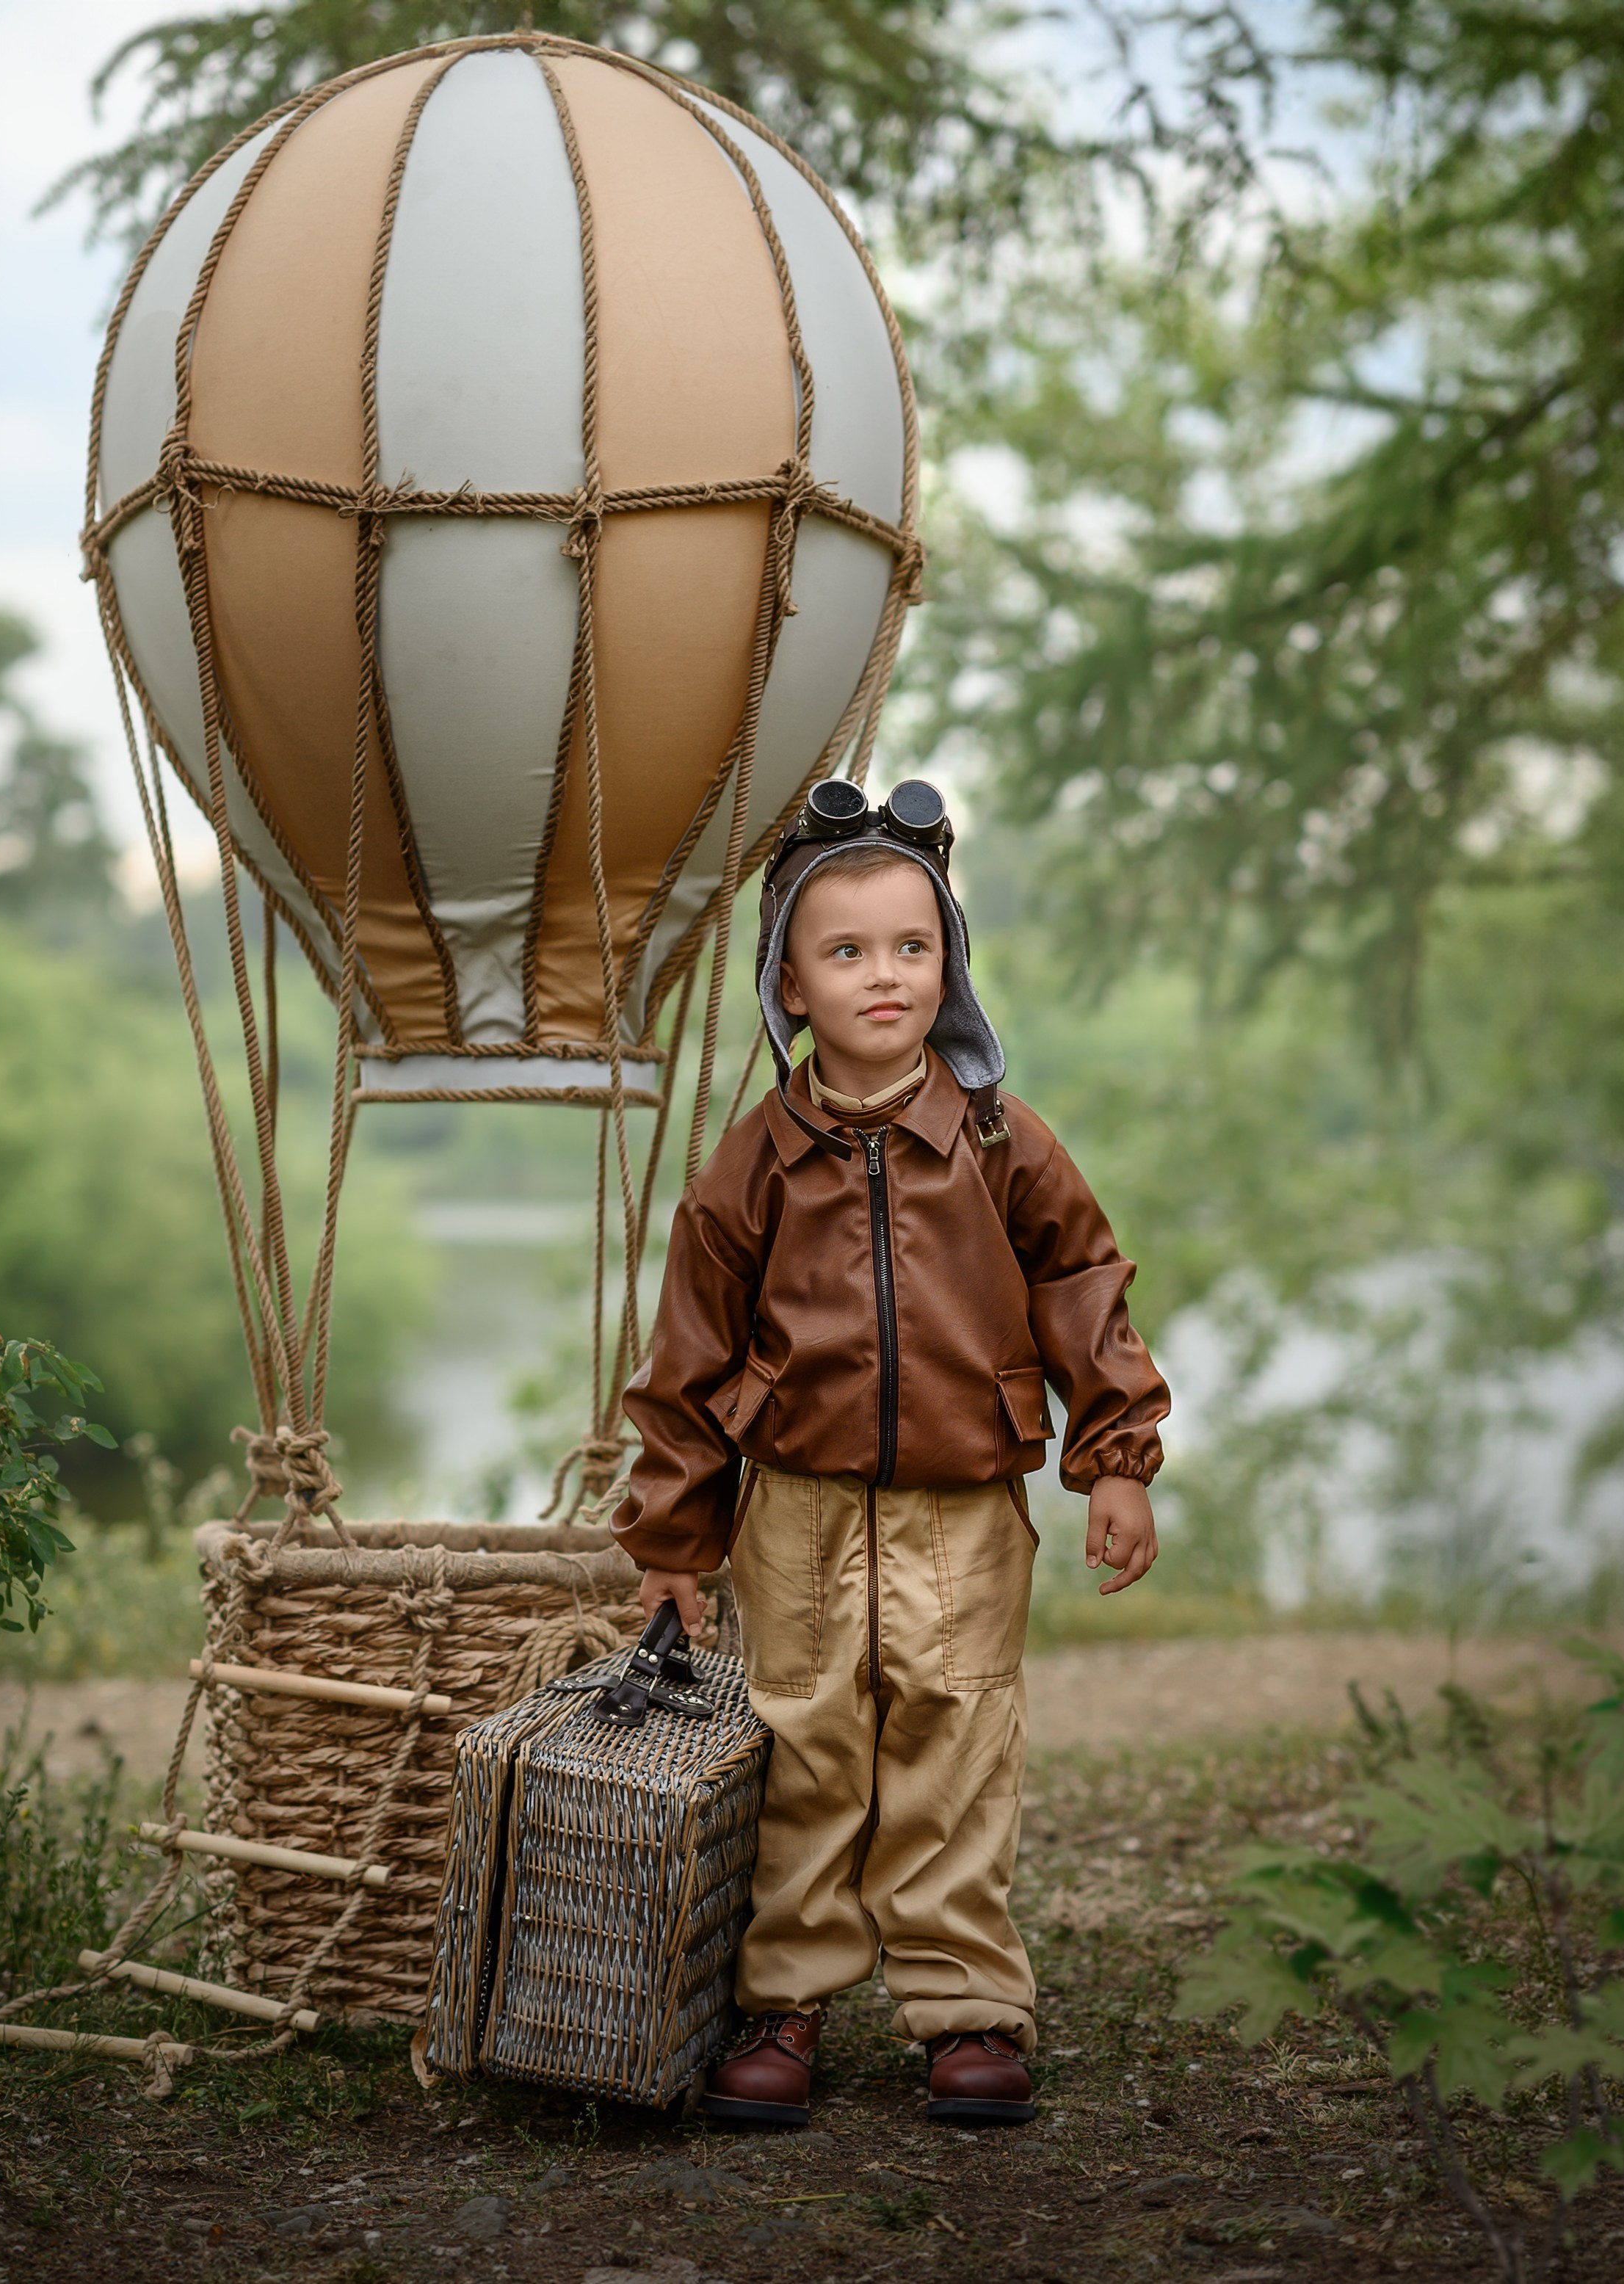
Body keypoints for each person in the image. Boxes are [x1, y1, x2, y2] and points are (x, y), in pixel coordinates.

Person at [610, 779, 1170, 2128]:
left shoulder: (997, 1140)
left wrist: (1113, 1459)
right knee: (804, 1741)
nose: (883, 975)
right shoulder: (752, 1166)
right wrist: (673, 1541)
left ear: (950, 964)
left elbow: (1083, 1285)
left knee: (957, 1731)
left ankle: (966, 2007)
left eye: (910, 948)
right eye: (845, 951)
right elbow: (685, 1364)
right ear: (789, 985)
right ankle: (785, 1996)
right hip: (794, 1503)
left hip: (965, 1502)